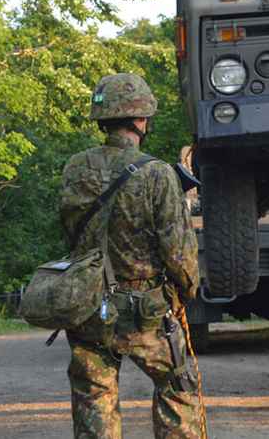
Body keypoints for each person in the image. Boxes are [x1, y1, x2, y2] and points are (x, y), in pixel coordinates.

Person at [61, 72, 203, 438]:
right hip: (146, 308)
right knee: (178, 387)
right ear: (141, 120)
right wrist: (186, 291)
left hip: (89, 302)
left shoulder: (76, 167)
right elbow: (179, 249)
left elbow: (68, 230)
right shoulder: (157, 174)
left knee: (95, 396)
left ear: (103, 119)